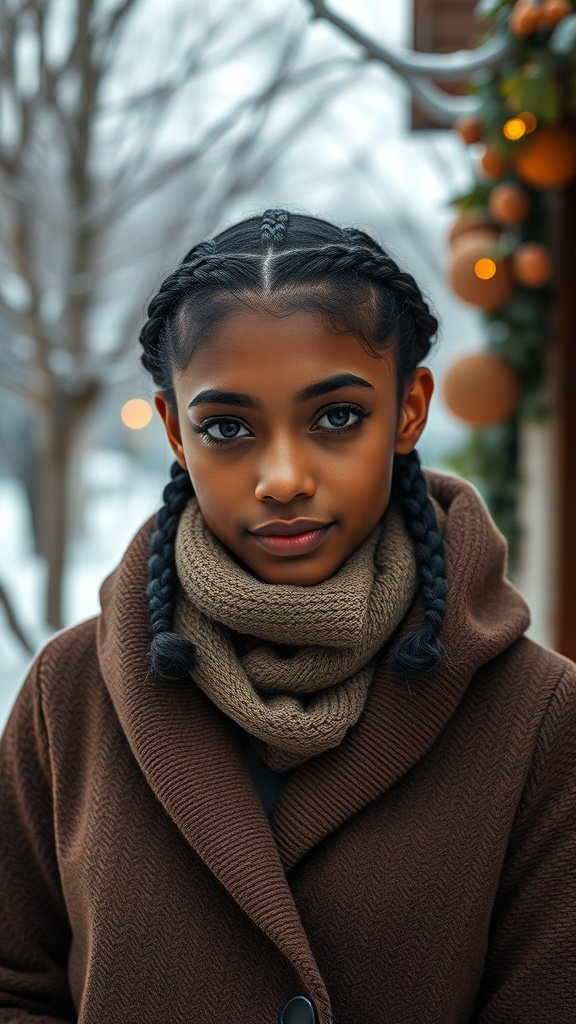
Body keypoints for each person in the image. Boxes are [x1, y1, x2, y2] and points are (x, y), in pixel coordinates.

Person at [0, 209, 574, 1024]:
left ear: (410, 411)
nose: (281, 478)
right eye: (226, 427)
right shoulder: (69, 694)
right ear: (173, 431)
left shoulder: (539, 717)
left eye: (337, 417)